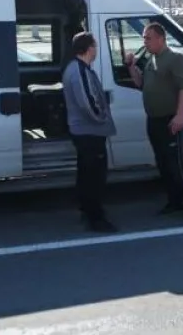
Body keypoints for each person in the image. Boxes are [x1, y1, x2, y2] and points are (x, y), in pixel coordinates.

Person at [125, 22, 183, 217]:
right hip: (154, 120)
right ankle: (174, 201)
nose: (145, 41)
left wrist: (179, 116)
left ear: (161, 38)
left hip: (171, 120)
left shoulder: (174, 59)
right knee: (162, 163)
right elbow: (141, 84)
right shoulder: (152, 59)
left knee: (176, 164)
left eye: (148, 38)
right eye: (144, 38)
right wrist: (131, 67)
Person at [62, 32, 118, 232]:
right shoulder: (79, 71)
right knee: (94, 176)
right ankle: (96, 217)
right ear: (88, 48)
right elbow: (87, 102)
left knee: (86, 174)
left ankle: (87, 209)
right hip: (90, 133)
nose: (96, 49)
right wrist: (101, 118)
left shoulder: (77, 68)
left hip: (85, 132)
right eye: (94, 45)